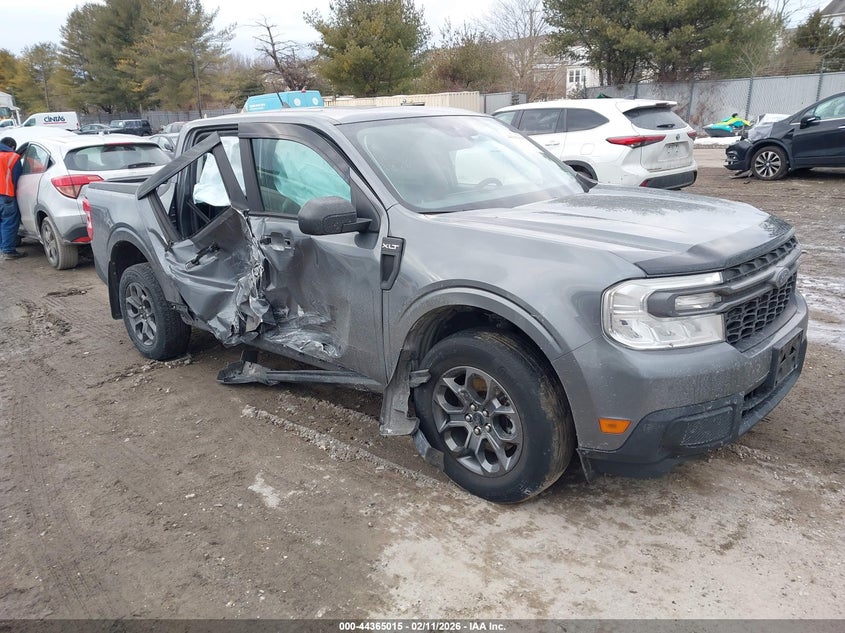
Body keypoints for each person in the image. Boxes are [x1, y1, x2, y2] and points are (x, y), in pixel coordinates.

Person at [0, 136, 25, 259]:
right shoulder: (13, 157)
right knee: (9, 222)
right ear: (13, 147)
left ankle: (3, 247)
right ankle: (8, 251)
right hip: (6, 195)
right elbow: (18, 179)